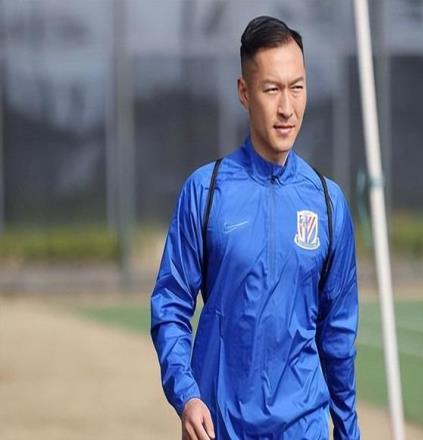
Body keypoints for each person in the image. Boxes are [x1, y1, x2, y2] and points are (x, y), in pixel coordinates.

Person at [151, 16, 360, 440]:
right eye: (272, 89)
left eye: (297, 87)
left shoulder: (327, 202)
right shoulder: (205, 191)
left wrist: (348, 430)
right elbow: (170, 306)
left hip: (304, 427)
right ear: (244, 93)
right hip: (222, 426)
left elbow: (337, 335)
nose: (287, 108)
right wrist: (187, 396)